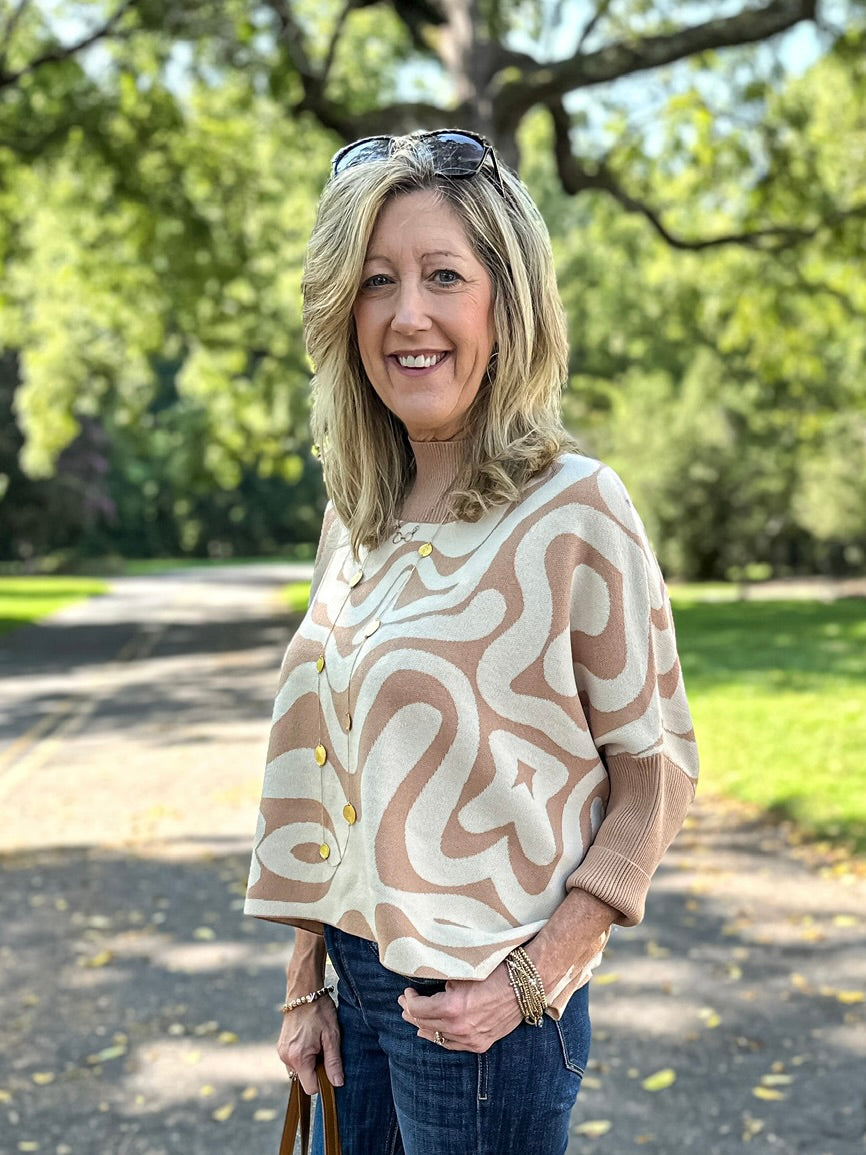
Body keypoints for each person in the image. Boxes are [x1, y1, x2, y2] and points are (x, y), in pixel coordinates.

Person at [244, 129, 699, 1155]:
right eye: (376, 281)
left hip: (486, 1015)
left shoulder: (575, 507)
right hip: (353, 993)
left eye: (442, 276)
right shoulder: (355, 515)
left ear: (507, 299)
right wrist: (304, 981)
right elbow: (338, 769)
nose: (407, 314)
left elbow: (656, 771)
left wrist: (539, 973)